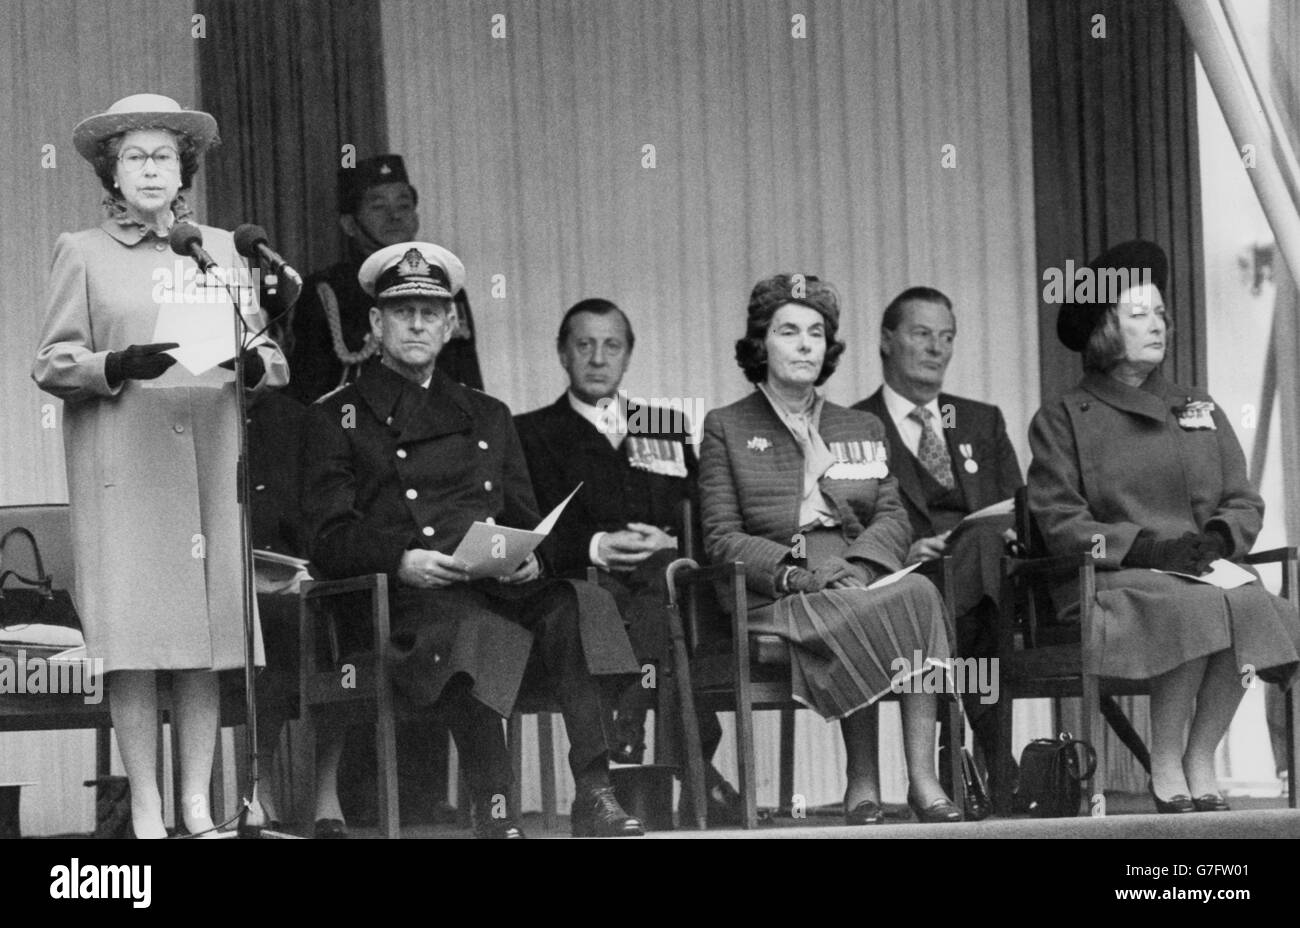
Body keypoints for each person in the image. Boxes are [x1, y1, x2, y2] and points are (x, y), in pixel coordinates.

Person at [300, 241, 645, 837]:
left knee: (581, 603)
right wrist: (401, 559)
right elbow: (327, 539)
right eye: (402, 311)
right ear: (376, 324)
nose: (416, 323)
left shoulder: (487, 412)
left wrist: (529, 560)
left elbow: (525, 515)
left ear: (451, 323)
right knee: (473, 631)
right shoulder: (338, 416)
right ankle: (496, 809)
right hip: (404, 606)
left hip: (493, 587)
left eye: (430, 312)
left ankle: (595, 792)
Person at [31, 94, 288, 838]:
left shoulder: (219, 250)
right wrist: (115, 361)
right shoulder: (82, 250)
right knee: (139, 644)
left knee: (205, 644)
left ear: (186, 172)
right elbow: (51, 361)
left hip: (209, 458)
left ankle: (201, 806)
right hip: (127, 463)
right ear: (112, 172)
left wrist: (252, 362)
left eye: (164, 157)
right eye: (135, 157)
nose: (151, 169)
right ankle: (146, 806)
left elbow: (271, 361)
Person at [1028, 239, 1300, 812]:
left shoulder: (1196, 405)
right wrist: (1146, 546)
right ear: (1105, 328)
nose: (1157, 324)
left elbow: (1242, 497)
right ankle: (1167, 759)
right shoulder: (1062, 417)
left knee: (1249, 599)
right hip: (1109, 579)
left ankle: (1201, 755)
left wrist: (1221, 537)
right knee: (1196, 604)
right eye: (1138, 313)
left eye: (1160, 313)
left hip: (1200, 567)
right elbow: (1060, 521)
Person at [699, 273, 960, 825]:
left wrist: (860, 567)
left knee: (919, 592)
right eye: (788, 331)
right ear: (760, 344)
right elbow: (721, 537)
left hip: (853, 574)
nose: (804, 345)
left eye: (815, 333)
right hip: (777, 590)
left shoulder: (859, 425)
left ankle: (922, 779)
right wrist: (798, 574)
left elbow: (891, 515)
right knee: (852, 607)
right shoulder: (726, 426)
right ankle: (861, 780)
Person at [514, 298, 741, 824]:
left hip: (662, 582)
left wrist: (668, 542)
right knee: (639, 608)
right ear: (562, 355)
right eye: (584, 345)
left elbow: (705, 521)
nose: (598, 357)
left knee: (659, 591)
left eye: (611, 345)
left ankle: (626, 732)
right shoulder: (531, 433)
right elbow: (526, 525)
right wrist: (595, 546)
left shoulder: (663, 426)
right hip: (585, 589)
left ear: (628, 355)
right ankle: (698, 773)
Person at [853, 286, 1022, 785]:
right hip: (904, 581)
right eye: (922, 334)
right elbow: (846, 523)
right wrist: (900, 550)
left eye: (946, 337)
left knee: (983, 552)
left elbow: (1017, 506)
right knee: (968, 583)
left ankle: (957, 751)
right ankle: (991, 751)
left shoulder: (981, 420)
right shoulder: (856, 425)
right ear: (887, 340)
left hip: (990, 576)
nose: (937, 349)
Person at [285, 154, 481, 402]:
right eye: (378, 207)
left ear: (416, 218)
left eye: (403, 205)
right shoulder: (325, 292)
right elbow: (309, 391)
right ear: (349, 224)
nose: (394, 216)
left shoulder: (445, 289)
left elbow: (468, 381)